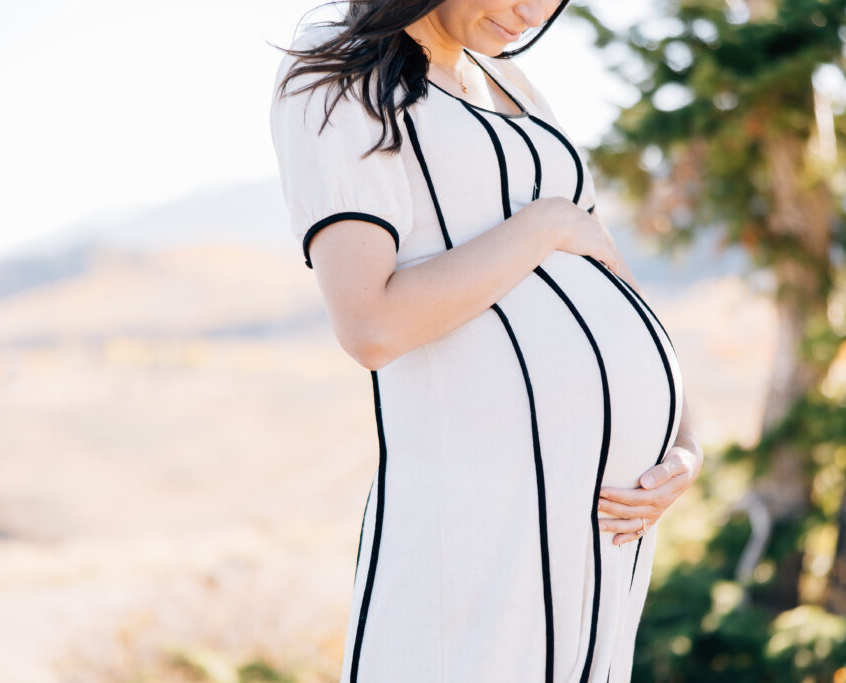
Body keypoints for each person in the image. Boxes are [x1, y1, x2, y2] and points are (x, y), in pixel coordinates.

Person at [268, 1, 704, 681]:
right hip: (478, 519)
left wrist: (683, 435)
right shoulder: (343, 67)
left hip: (603, 528)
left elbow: (605, 265)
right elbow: (370, 325)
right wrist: (544, 224)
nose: (532, 12)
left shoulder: (507, 79)